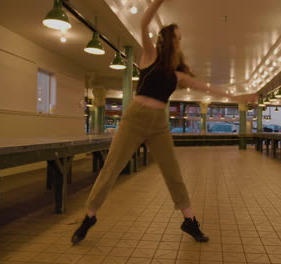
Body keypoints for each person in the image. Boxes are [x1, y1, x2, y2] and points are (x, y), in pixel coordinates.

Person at [71, 0, 239, 244]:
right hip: (135, 118)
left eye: (181, 39)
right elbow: (144, 21)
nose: (180, 43)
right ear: (168, 40)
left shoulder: (178, 74)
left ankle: (189, 221)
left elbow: (209, 88)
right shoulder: (150, 56)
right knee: (111, 168)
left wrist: (238, 97)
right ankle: (89, 216)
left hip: (159, 124)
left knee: (173, 173)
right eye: (177, 38)